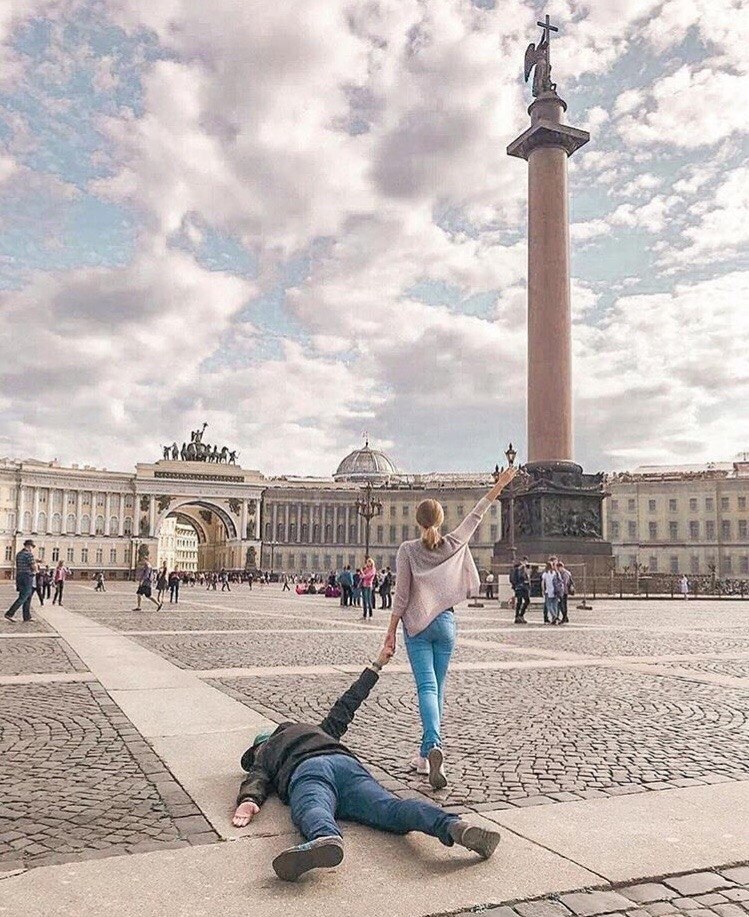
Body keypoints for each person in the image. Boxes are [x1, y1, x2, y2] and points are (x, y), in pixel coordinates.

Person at [232, 646, 500, 882]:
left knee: (312, 806)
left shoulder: (268, 749)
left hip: (310, 771)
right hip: (347, 766)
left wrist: (249, 800)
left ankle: (325, 837)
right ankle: (454, 826)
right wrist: (376, 665)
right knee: (392, 808)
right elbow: (348, 703)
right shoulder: (321, 730)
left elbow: (257, 777)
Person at [382, 467, 517, 788]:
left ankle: (432, 747)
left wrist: (389, 632)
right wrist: (500, 484)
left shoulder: (408, 550)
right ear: (440, 521)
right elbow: (478, 513)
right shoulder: (454, 542)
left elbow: (401, 597)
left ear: (418, 521)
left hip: (417, 626)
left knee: (427, 689)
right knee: (438, 690)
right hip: (446, 624)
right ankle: (425, 752)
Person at [4, 539, 38, 623]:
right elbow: (33, 567)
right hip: (27, 577)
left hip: (19, 576)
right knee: (23, 597)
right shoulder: (29, 554)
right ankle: (9, 613)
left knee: (27, 597)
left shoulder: (19, 554)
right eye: (32, 547)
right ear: (29, 546)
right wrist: (36, 570)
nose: (32, 548)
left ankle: (27, 616)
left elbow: (23, 564)